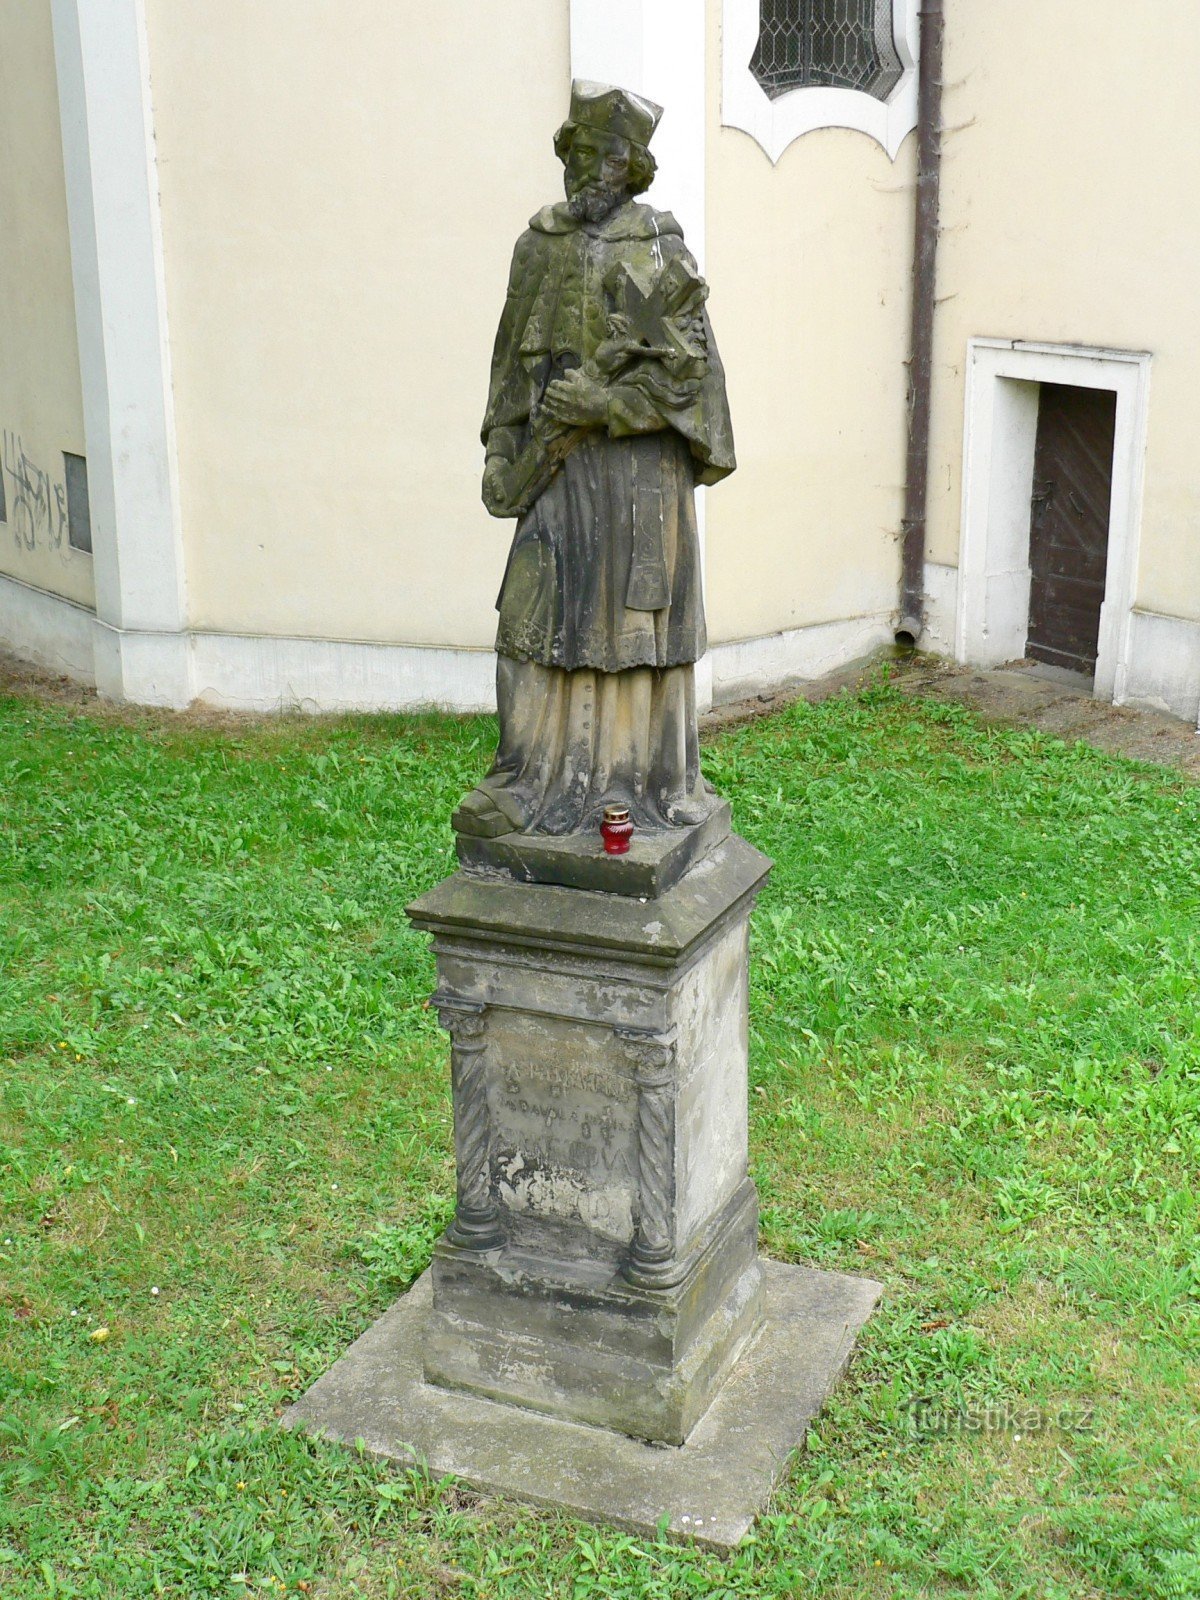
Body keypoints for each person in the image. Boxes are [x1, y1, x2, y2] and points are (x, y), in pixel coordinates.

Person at [453, 80, 735, 840]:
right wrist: (503, 445)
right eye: (575, 153)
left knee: (631, 632)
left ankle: (642, 785)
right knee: (531, 616)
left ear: (634, 166)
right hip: (554, 474)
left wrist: (605, 407)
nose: (585, 169)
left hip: (639, 483)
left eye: (604, 156)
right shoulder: (536, 247)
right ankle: (524, 777)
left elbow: (698, 395)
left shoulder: (661, 252)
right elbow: (510, 362)